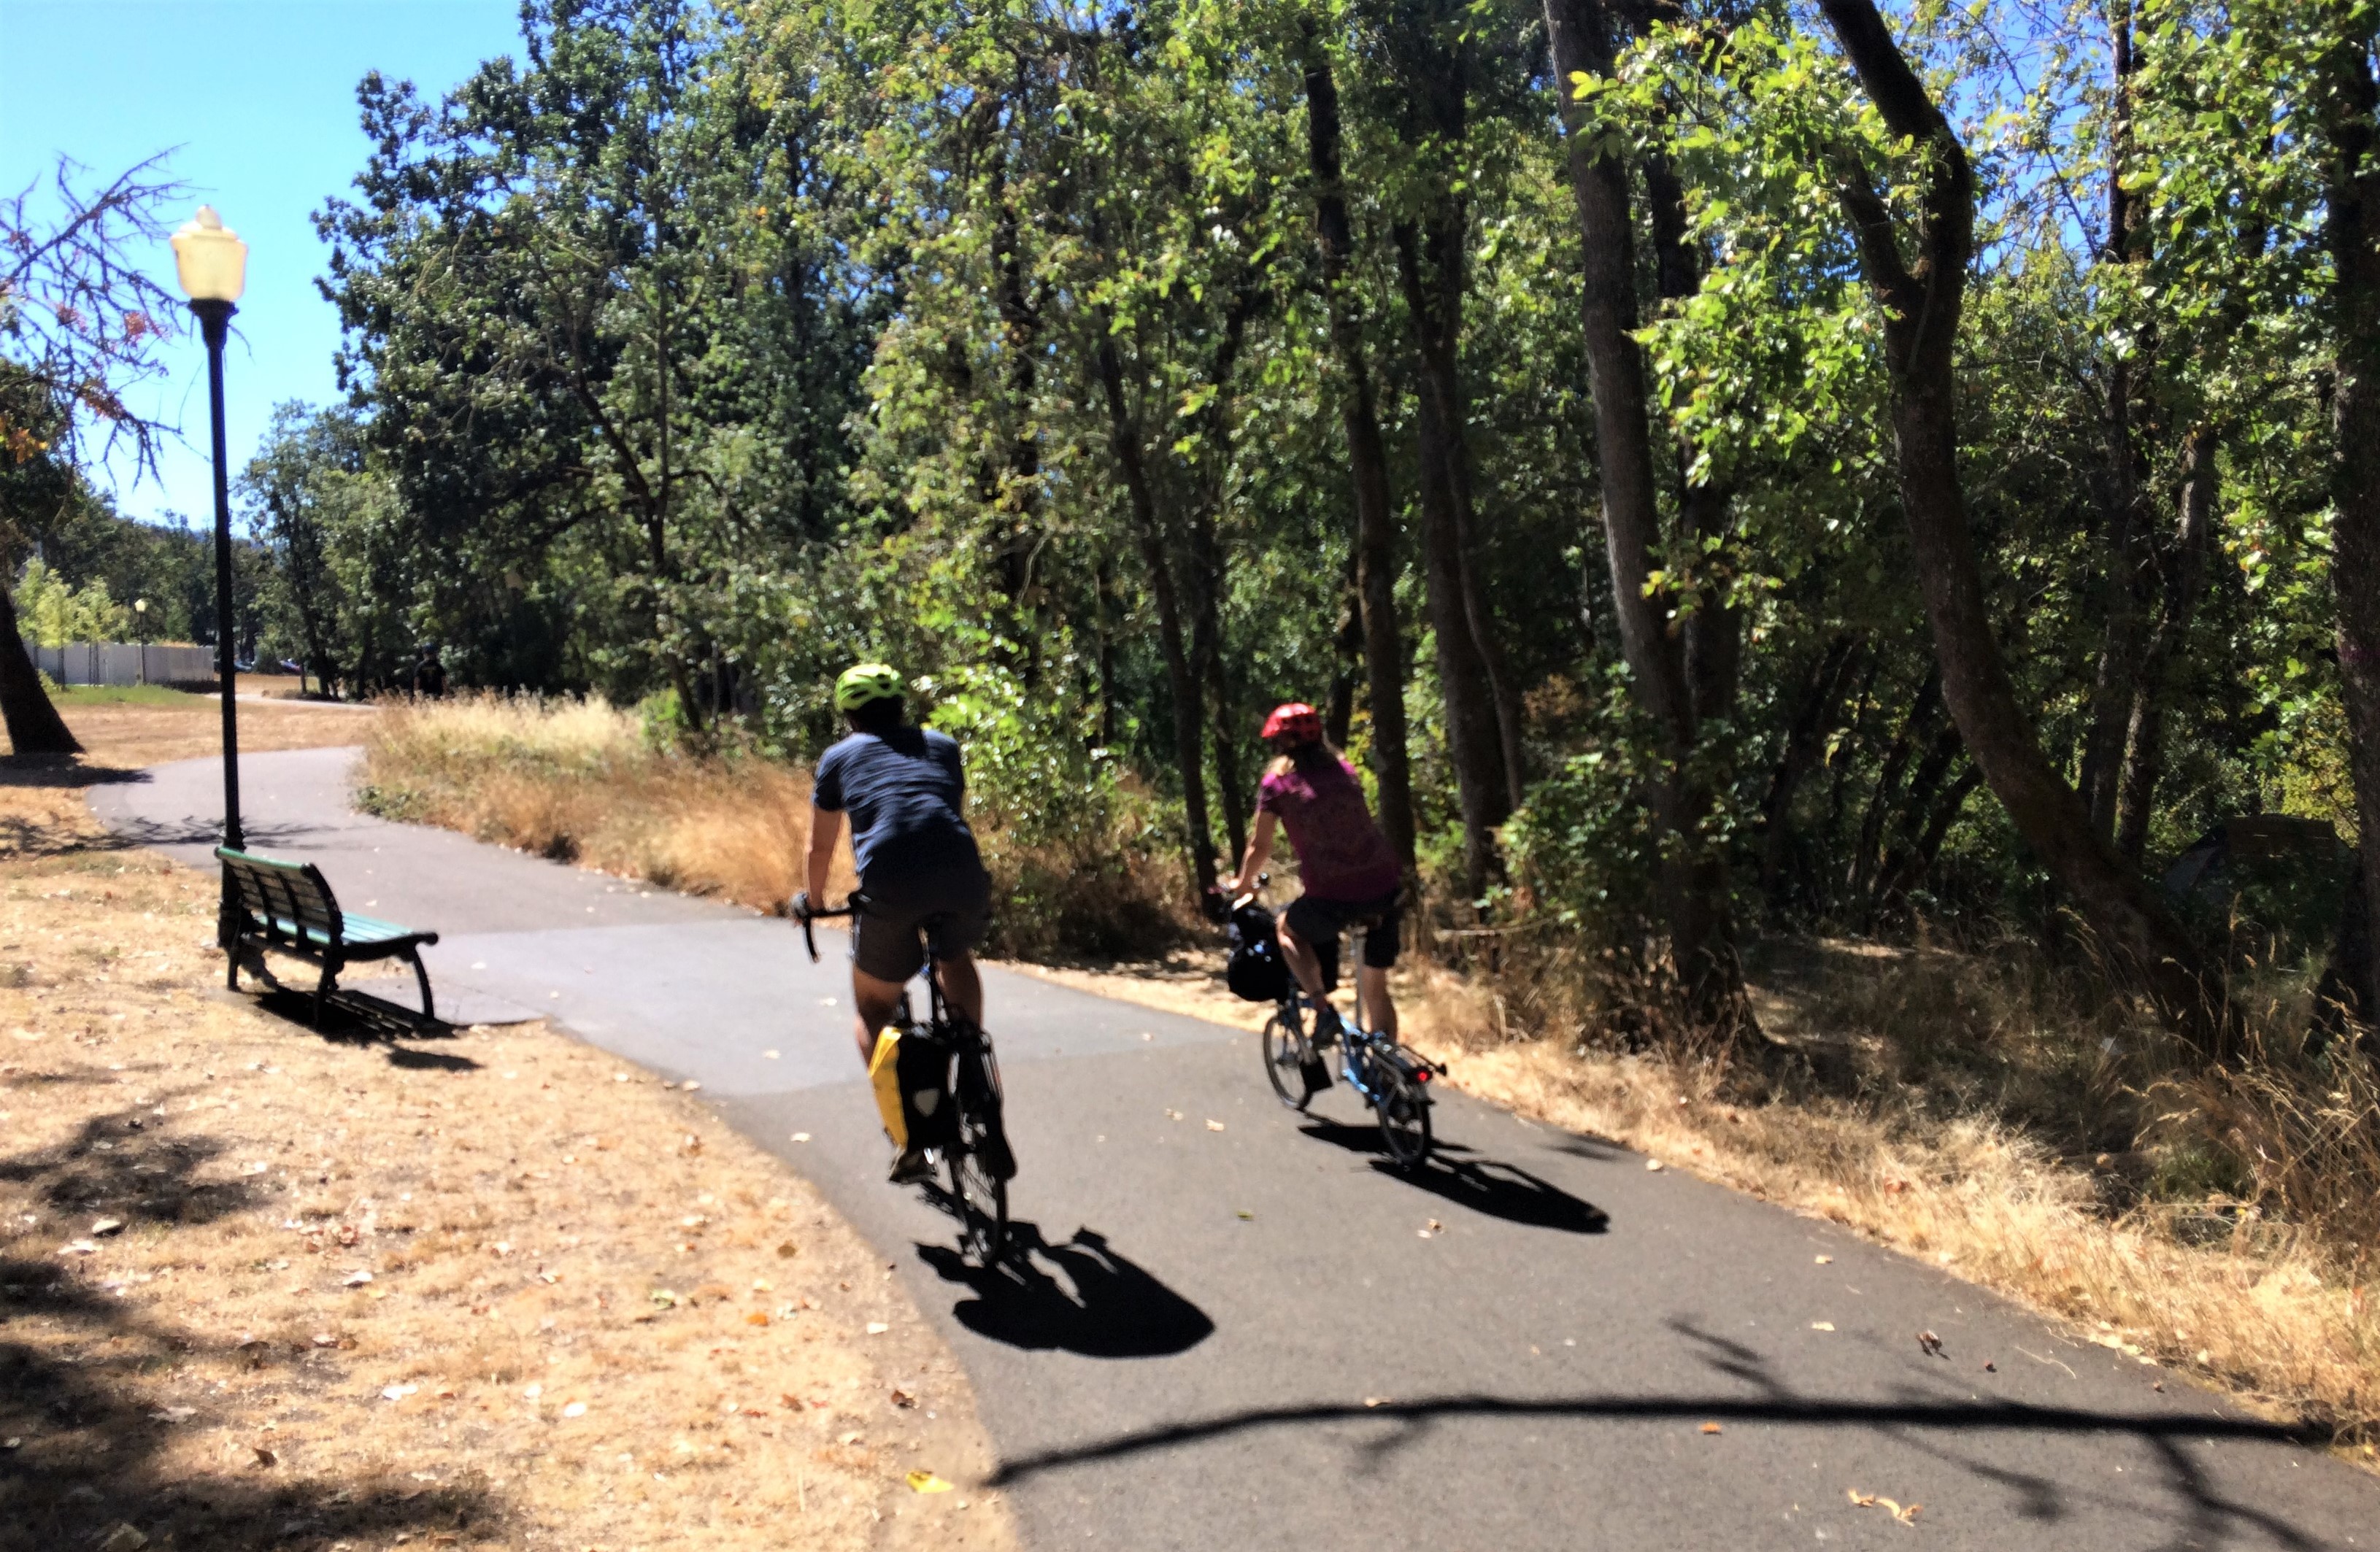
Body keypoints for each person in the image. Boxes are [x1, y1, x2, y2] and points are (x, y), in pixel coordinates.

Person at [795, 663, 993, 1181]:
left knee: (873, 1003)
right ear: (903, 706)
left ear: (848, 715)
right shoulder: (943, 746)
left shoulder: (838, 757)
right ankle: (971, 1058)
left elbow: (820, 845)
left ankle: (909, 1129)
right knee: (953, 956)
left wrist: (813, 901)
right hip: (962, 872)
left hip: (891, 882)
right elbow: (937, 812)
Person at [1222, 702, 1403, 1043]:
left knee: (1287, 931)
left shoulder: (1278, 784)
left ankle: (1323, 1010)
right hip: (1385, 888)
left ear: (1280, 745)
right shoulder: (1344, 770)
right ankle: (1389, 1073)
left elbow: (1260, 847)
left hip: (1333, 896)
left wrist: (1242, 884)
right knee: (1376, 988)